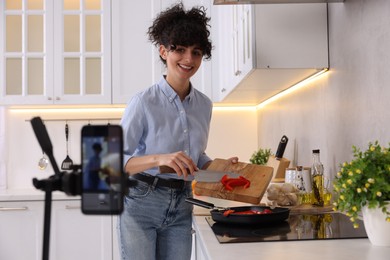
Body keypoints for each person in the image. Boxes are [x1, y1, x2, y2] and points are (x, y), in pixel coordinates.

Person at [118, 3, 237, 260]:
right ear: (163, 51)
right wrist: (160, 158)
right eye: (179, 50)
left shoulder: (204, 105)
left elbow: (196, 157)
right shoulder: (143, 102)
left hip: (183, 202)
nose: (188, 59)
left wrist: (219, 168)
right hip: (141, 202)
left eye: (196, 52)